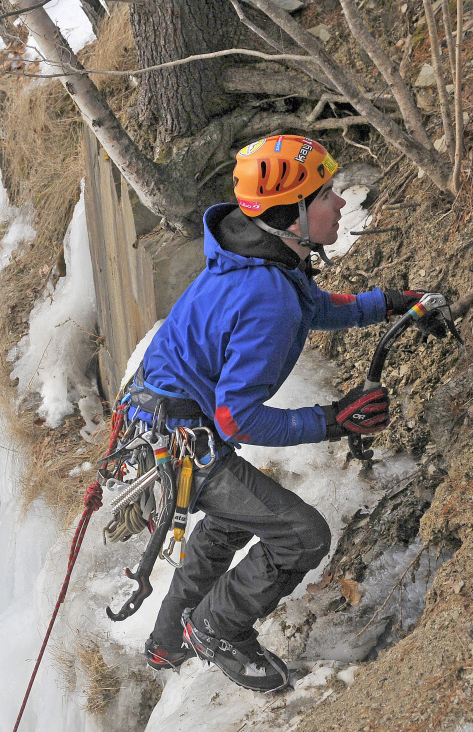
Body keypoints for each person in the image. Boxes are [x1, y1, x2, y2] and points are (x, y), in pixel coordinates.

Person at [127, 134, 431, 692]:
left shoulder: (259, 258)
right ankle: (217, 626)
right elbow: (236, 419)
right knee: (302, 534)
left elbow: (310, 306)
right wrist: (333, 419)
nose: (340, 204)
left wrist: (385, 304)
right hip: (182, 437)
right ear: (291, 217)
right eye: (326, 196)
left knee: (230, 520)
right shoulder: (266, 293)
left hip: (156, 423)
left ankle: (168, 639)